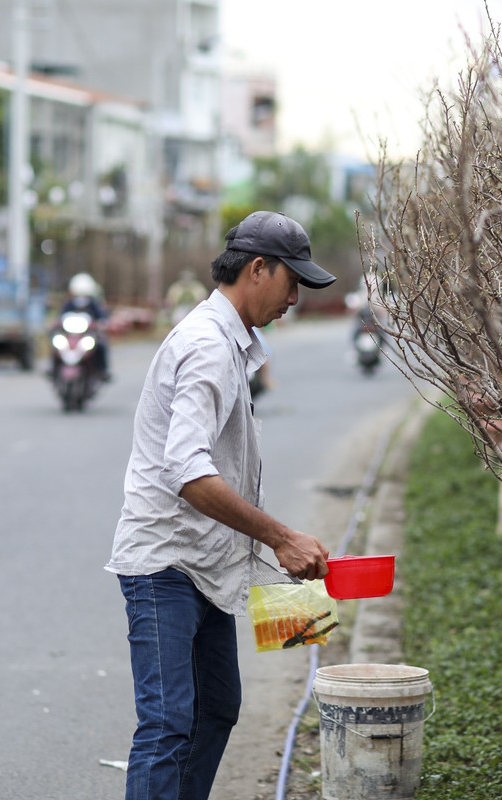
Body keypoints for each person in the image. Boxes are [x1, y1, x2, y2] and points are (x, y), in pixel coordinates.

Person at [106, 211, 336, 800]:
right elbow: (188, 472)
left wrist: (278, 551)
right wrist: (281, 538)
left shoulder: (234, 340)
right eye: (293, 283)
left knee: (219, 709)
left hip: (209, 564)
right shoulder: (207, 345)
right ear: (258, 269)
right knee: (167, 724)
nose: (295, 299)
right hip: (166, 565)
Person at [59, 272, 111, 379]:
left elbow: (102, 316)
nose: (81, 297)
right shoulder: (69, 303)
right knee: (57, 344)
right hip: (71, 336)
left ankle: (103, 370)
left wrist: (102, 323)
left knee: (101, 345)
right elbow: (61, 316)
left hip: (87, 334)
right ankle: (54, 368)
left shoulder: (93, 304)